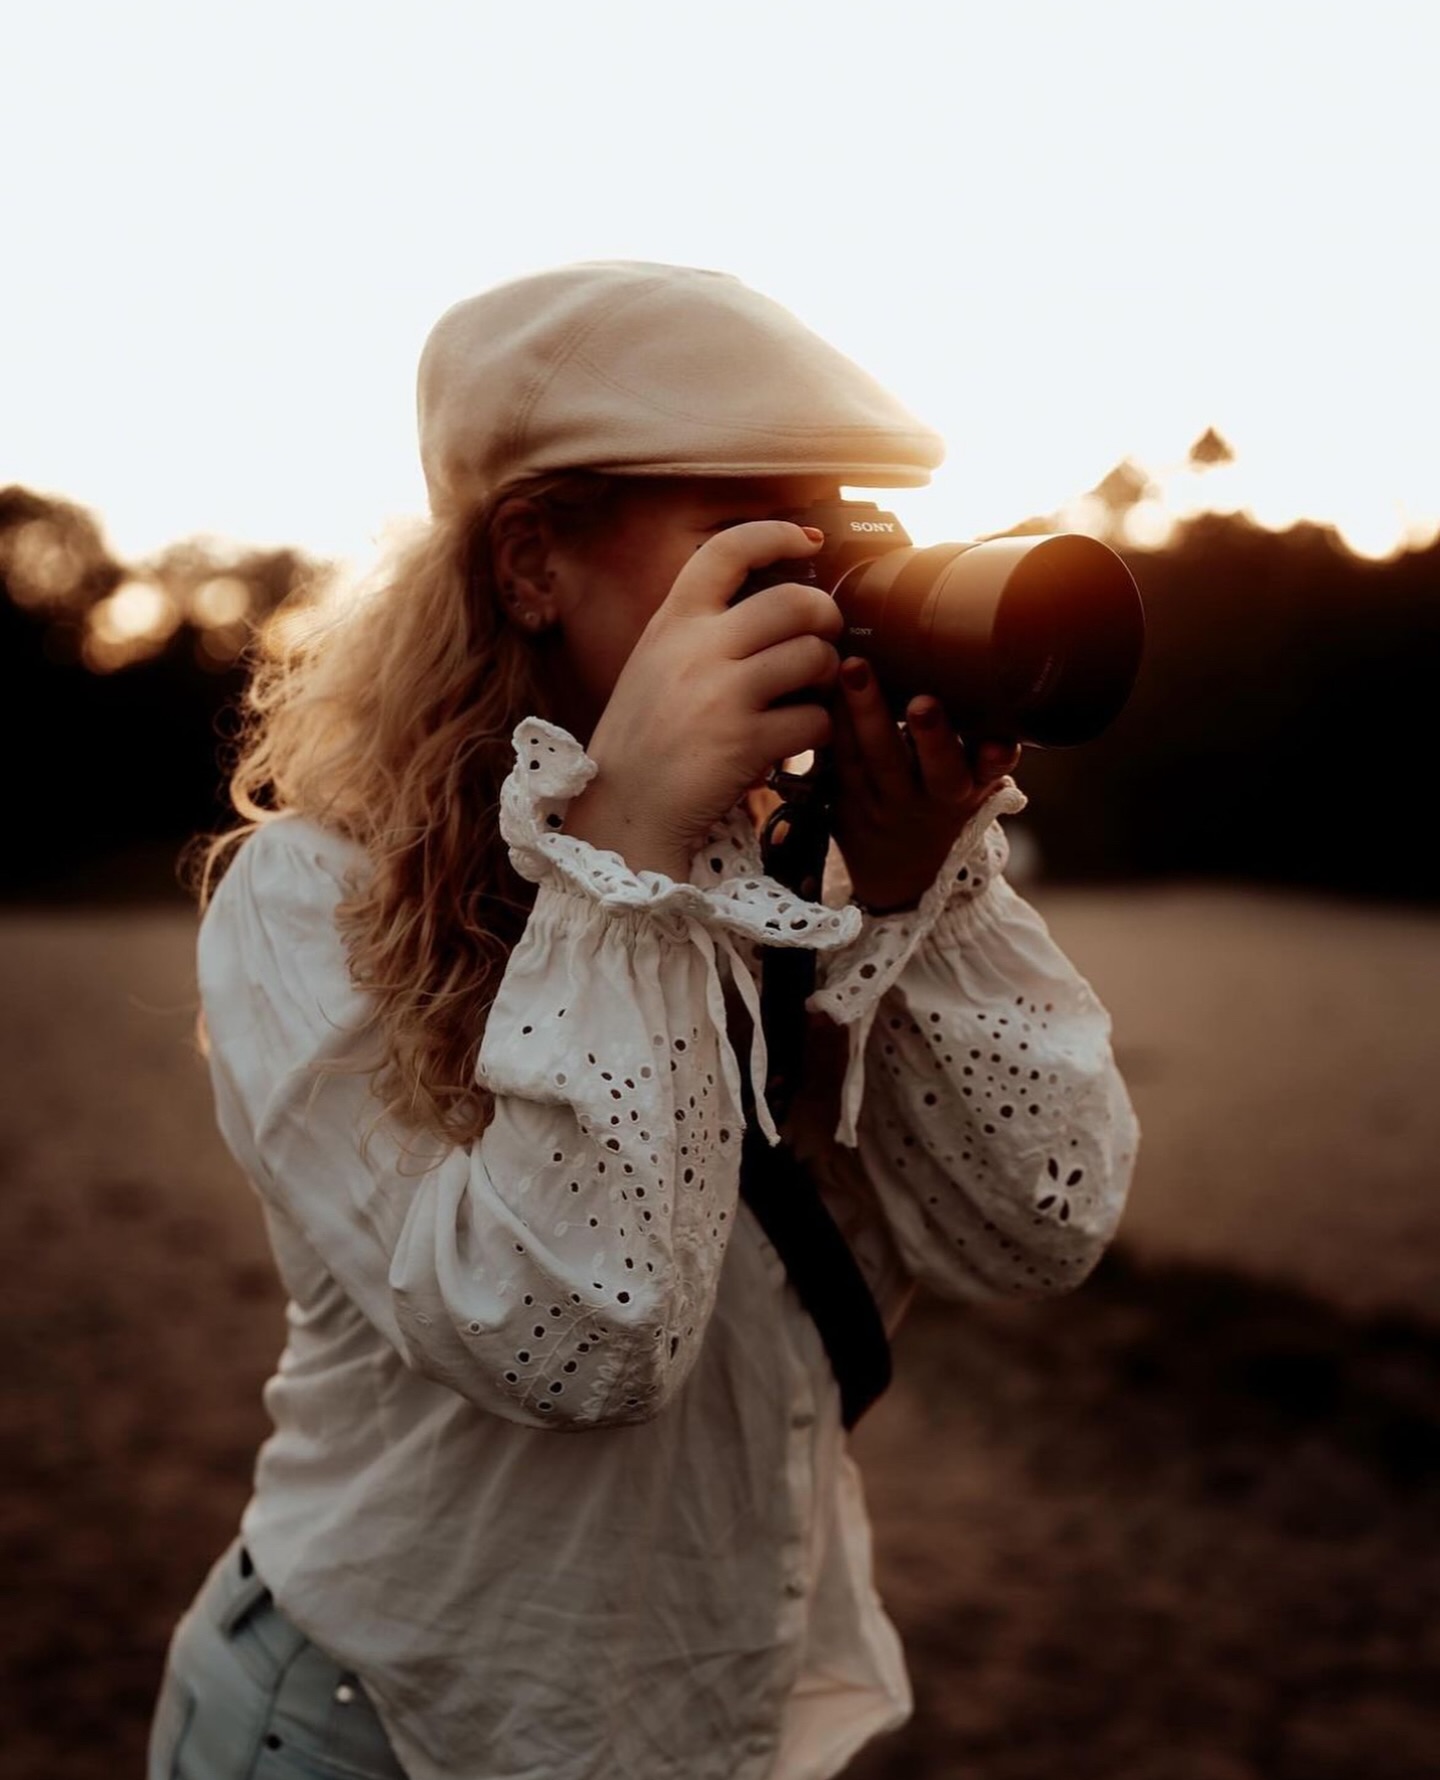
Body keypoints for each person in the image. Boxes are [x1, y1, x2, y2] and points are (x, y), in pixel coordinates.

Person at [147, 260, 1139, 1780]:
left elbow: (1037, 1231)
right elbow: (578, 1344)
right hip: (375, 1725)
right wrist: (621, 850)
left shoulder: (788, 872)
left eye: (840, 535)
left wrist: (907, 891)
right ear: (534, 559)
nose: (822, 590)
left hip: (715, 1728)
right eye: (752, 533)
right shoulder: (308, 897)